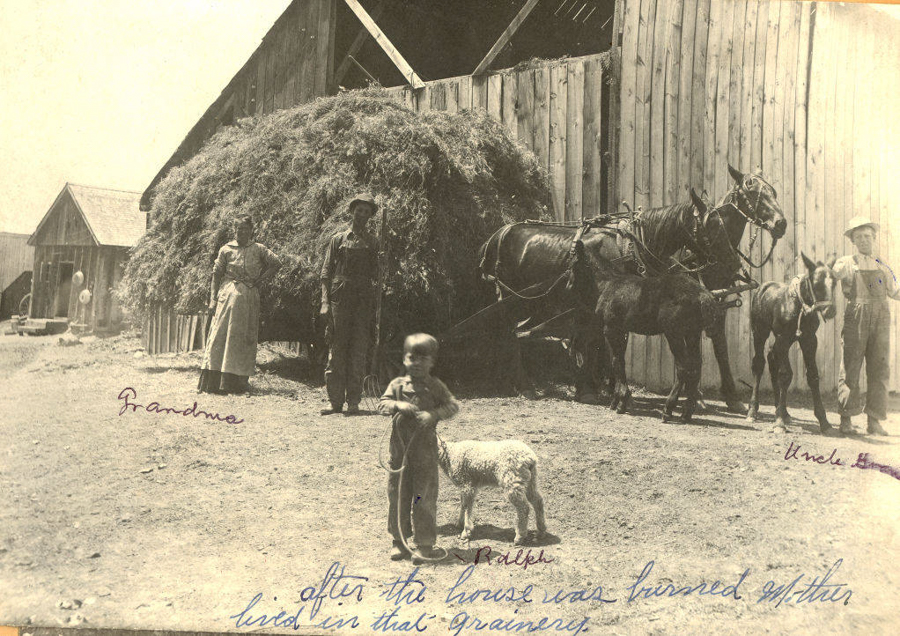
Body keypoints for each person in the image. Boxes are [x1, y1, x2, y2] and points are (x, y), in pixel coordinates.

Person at [379, 333, 459, 563]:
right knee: (398, 495)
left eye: (423, 359)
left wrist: (433, 414)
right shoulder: (396, 385)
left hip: (425, 453)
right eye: (412, 358)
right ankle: (399, 541)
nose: (417, 363)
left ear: (431, 362)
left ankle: (424, 544)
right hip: (399, 453)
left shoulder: (435, 386)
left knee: (424, 496)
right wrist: (397, 404)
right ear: (404, 360)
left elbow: (452, 406)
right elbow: (381, 404)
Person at [198, 215, 281, 395]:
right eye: (238, 228)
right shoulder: (226, 249)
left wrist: (260, 280)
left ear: (251, 230)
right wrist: (213, 299)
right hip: (227, 296)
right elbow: (216, 274)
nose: (241, 232)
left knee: (243, 338)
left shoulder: (258, 249)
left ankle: (237, 383)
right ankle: (214, 382)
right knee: (220, 336)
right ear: (234, 230)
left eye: (245, 228)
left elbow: (276, 263)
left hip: (248, 298)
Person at [833, 216, 900, 436]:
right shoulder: (845, 263)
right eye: (859, 237)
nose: (864, 241)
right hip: (856, 317)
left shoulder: (883, 264)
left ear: (874, 238)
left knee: (879, 368)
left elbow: (895, 291)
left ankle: (874, 421)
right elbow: (830, 276)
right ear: (853, 240)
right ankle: (846, 418)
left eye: (867, 237)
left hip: (881, 318)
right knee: (851, 366)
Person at [319, 193, 380, 416]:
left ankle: (354, 401)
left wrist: (383, 260)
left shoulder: (374, 242)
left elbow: (378, 274)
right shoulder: (338, 239)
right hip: (339, 298)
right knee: (336, 349)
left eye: (367, 211)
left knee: (358, 351)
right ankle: (335, 402)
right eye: (359, 210)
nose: (362, 214)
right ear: (352, 211)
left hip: (362, 301)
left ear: (370, 216)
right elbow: (325, 272)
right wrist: (325, 302)